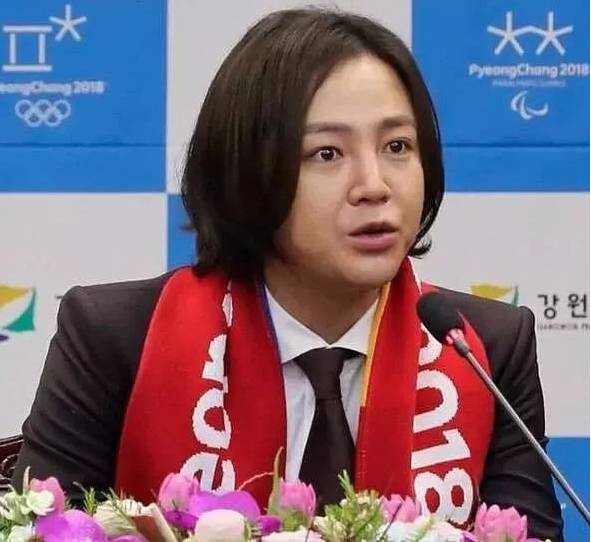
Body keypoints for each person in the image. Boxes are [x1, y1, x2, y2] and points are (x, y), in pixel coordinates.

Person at [13, 8, 563, 540]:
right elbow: (46, 532)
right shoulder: (116, 336)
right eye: (326, 153)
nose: (374, 186)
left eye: (397, 146)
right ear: (247, 169)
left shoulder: (483, 348)